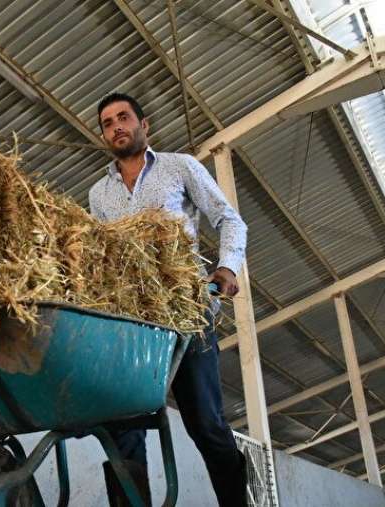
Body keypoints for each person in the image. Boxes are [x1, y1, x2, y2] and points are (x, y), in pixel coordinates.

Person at [89, 93, 249, 507]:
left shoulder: (180, 167)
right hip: (132, 326)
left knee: (206, 425)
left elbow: (229, 219)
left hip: (188, 316)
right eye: (108, 123)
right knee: (122, 426)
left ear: (144, 124)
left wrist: (227, 268)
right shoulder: (98, 195)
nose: (117, 126)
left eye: (124, 117)